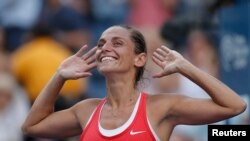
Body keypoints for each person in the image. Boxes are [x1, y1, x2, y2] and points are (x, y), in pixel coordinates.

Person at [22, 25, 246, 141]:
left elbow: (234, 106)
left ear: (140, 59)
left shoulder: (160, 107)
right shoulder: (86, 110)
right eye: (101, 43)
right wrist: (59, 76)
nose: (105, 48)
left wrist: (186, 67)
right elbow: (31, 126)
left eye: (117, 43)